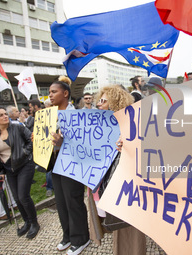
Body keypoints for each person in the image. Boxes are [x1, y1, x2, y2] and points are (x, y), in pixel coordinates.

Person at [95, 85, 146, 255]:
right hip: (109, 184)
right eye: (98, 101)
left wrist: (129, 145)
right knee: (119, 229)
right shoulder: (100, 126)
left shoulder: (131, 123)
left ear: (115, 101)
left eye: (103, 101)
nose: (99, 104)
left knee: (129, 231)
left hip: (128, 186)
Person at [0, 106, 40, 239]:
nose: (5, 116)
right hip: (9, 169)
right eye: (1, 115)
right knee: (17, 198)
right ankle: (27, 222)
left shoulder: (17, 127)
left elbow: (31, 141)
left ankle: (34, 223)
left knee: (23, 196)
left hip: (25, 164)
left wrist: (24, 153)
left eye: (5, 114)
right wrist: (0, 170)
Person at [50, 76, 90, 254]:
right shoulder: (48, 115)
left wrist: (63, 143)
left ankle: (81, 238)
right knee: (61, 202)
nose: (50, 95)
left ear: (65, 93)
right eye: (49, 92)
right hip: (54, 163)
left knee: (73, 201)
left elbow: (84, 143)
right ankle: (67, 235)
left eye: (54, 92)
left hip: (73, 163)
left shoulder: (77, 115)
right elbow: (46, 138)